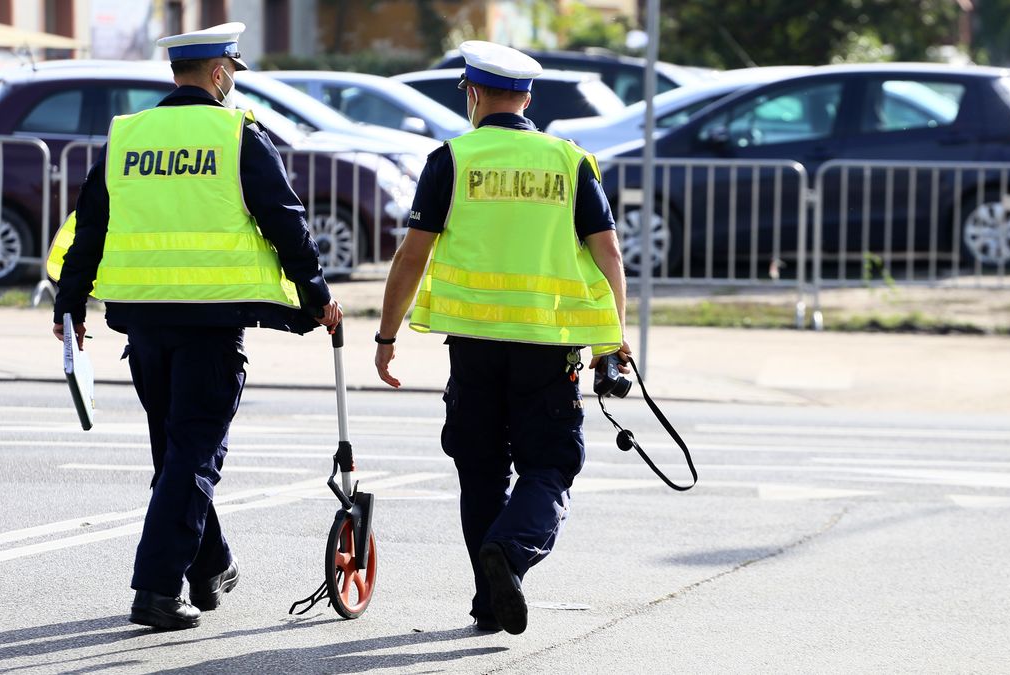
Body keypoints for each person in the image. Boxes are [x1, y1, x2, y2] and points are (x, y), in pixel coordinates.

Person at [49, 22, 340, 631]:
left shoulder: (128, 136)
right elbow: (285, 221)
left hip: (143, 322)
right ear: (216, 74)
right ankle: (155, 590)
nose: (232, 83)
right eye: (231, 72)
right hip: (212, 321)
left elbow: (89, 226)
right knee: (192, 456)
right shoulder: (237, 134)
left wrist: (69, 305)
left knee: (176, 456)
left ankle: (210, 566)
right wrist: (315, 295)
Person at [374, 40, 630, 635]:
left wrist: (387, 336)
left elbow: (412, 255)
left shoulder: (452, 160)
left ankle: (489, 602)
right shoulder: (569, 161)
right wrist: (612, 342)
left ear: (472, 93)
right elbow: (608, 251)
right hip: (547, 345)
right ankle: (510, 556)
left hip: (473, 346)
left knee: (482, 470)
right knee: (550, 466)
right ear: (529, 97)